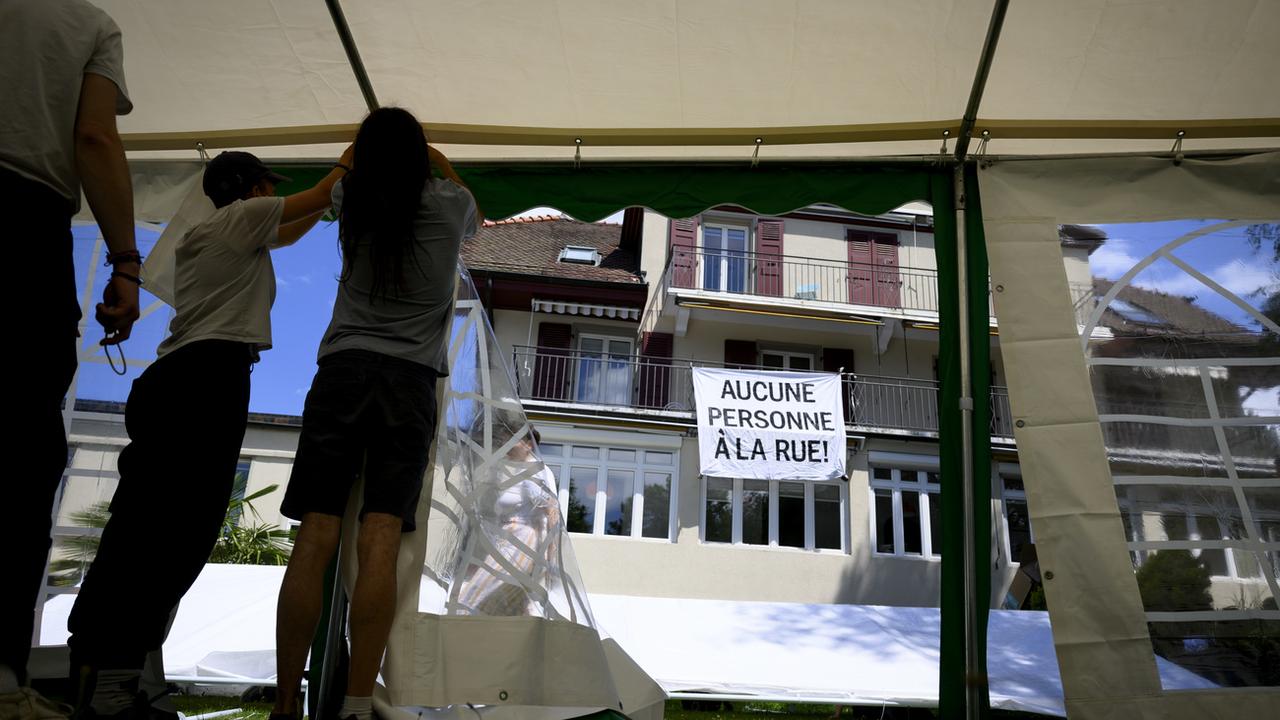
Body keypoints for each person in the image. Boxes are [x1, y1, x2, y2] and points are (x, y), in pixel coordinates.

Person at [65, 148, 353, 720]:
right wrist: (353, 158)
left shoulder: (231, 228)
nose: (273, 196)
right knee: (165, 532)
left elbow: (293, 231)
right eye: (269, 187)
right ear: (250, 189)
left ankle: (113, 674)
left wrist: (330, 197)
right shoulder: (240, 219)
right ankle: (107, 681)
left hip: (193, 380)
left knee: (162, 529)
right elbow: (318, 197)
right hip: (202, 381)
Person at [273, 107, 478, 720]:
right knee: (382, 536)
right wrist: (432, 154)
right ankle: (359, 703)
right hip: (409, 384)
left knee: (314, 534)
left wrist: (354, 154)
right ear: (420, 156)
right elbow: (473, 203)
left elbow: (334, 183)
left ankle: (286, 705)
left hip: (343, 373)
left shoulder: (351, 198)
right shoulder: (450, 206)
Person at [0, 0, 139, 715]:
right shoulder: (83, 22)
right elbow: (93, 136)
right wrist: (125, 261)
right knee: (19, 457)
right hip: (21, 223)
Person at [455, 423, 563, 617]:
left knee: (473, 599)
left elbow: (551, 511)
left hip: (522, 540)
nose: (504, 448)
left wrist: (551, 559)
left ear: (528, 445)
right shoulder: (523, 471)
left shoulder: (534, 472)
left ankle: (457, 633)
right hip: (511, 540)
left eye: (509, 443)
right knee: (511, 606)